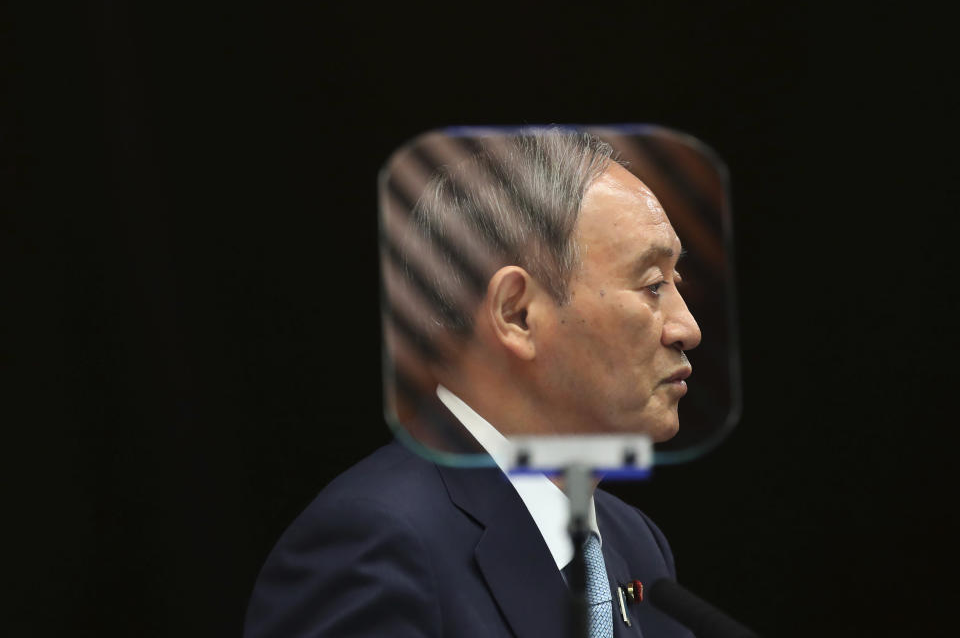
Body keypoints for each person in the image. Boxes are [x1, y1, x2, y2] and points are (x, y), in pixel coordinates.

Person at [244, 130, 701, 637]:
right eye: (653, 285)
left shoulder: (636, 543)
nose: (688, 329)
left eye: (675, 284)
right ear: (518, 313)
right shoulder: (375, 543)